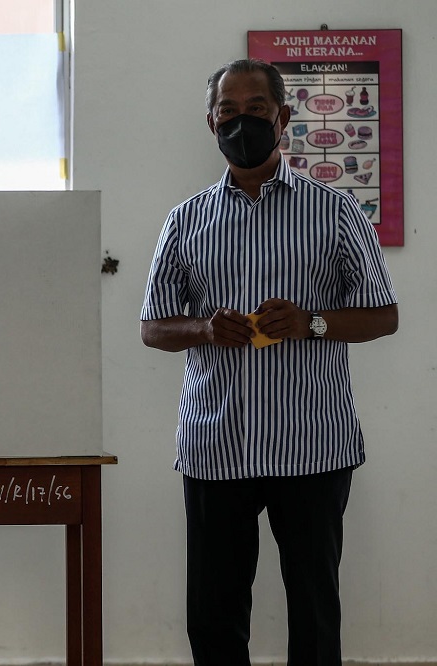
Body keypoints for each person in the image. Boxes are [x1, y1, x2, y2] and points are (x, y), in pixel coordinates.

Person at [139, 58, 399, 666]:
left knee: (314, 609)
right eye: (228, 112)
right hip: (217, 443)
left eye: (256, 110)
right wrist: (203, 328)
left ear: (283, 118)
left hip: (312, 443)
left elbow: (383, 315)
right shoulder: (186, 221)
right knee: (214, 614)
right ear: (211, 123)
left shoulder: (336, 212)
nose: (242, 123)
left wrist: (312, 322)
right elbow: (152, 326)